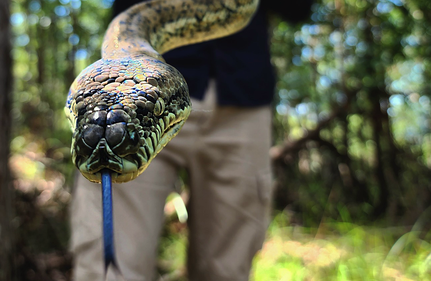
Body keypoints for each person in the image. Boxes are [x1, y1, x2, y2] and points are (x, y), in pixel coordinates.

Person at [70, 1, 313, 280]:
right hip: (126, 97)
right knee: (108, 273)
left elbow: (297, 9)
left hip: (241, 96)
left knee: (226, 270)